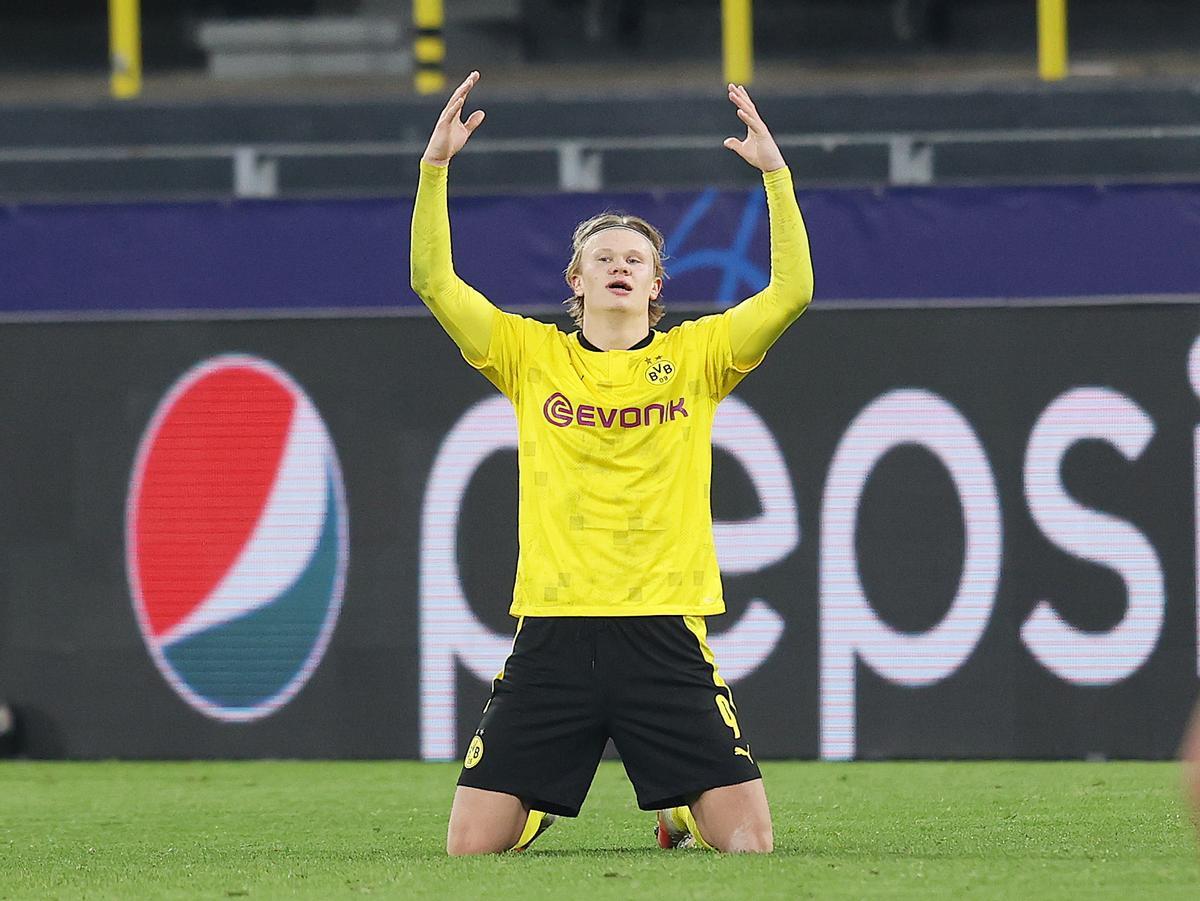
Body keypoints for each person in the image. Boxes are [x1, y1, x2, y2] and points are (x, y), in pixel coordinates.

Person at [410, 70, 813, 855]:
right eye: (603, 257)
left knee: (751, 845)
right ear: (577, 280)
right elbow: (432, 281)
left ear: (658, 283)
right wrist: (434, 171)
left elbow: (792, 291)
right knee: (469, 847)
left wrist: (775, 174)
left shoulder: (699, 357)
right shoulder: (530, 355)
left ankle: (679, 808)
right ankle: (543, 802)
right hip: (555, 630)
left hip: (663, 629)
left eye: (635, 257)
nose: (620, 265)